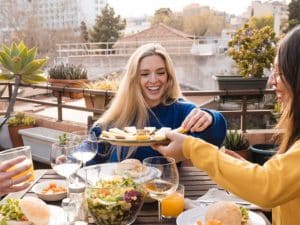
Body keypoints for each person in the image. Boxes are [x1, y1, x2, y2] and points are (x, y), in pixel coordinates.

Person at [154, 26, 300, 225]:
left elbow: (268, 186)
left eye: (280, 72)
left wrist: (191, 146)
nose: (271, 81)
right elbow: (280, 189)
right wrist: (244, 171)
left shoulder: (179, 107)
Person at [89, 43, 227, 164]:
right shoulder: (122, 112)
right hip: (118, 191)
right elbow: (92, 151)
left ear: (168, 76)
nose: (154, 80)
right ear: (134, 79)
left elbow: (214, 138)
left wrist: (210, 117)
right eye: (145, 74)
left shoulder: (180, 111)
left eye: (160, 72)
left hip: (164, 191)